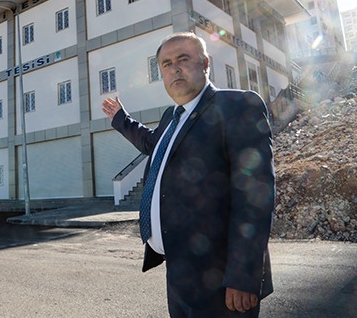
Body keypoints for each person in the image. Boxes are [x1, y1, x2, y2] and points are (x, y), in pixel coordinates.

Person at [102, 32, 275, 317]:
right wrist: (121, 119)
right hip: (179, 272)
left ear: (205, 63)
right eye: (166, 64)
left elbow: (255, 197)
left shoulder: (237, 106)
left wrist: (244, 276)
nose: (175, 68)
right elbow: (152, 143)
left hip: (222, 280)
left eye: (183, 59)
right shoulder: (172, 118)